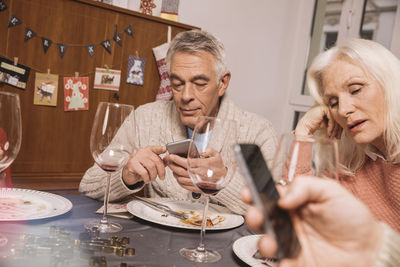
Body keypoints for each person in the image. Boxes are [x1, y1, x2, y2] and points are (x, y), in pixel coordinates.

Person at [79, 30, 277, 215]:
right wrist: (126, 176)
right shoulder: (144, 118)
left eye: (199, 84)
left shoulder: (257, 132)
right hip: (160, 245)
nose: (186, 96)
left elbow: (275, 211)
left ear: (222, 83)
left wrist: (222, 182)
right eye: (177, 84)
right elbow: (88, 186)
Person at [294, 38, 400, 231]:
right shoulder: (355, 163)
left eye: (356, 90)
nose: (343, 110)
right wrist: (304, 131)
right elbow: (298, 211)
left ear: (391, 85)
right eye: (333, 102)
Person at [241, 176, 400, 267]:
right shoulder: (351, 156)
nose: (344, 114)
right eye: (334, 113)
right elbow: (297, 187)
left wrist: (370, 248)